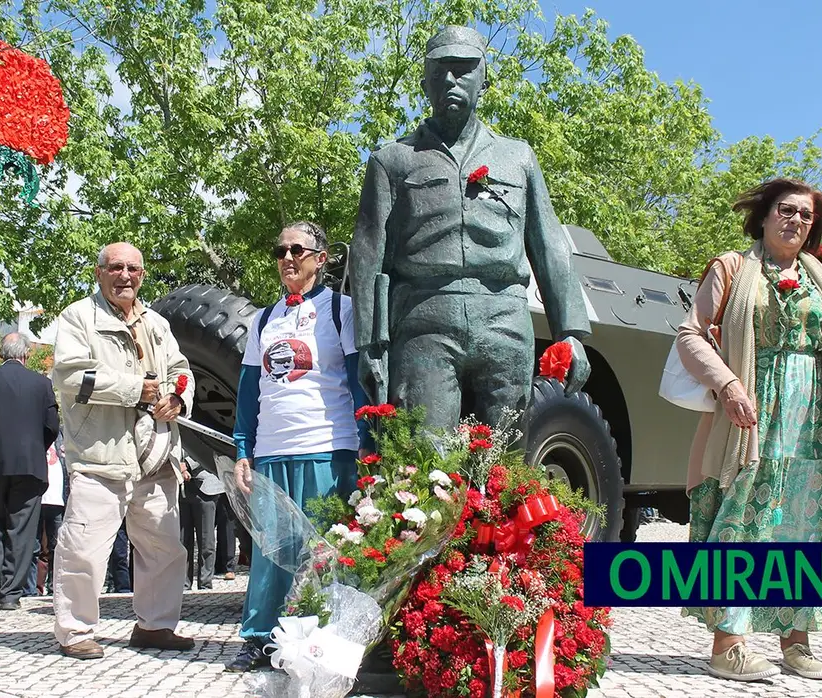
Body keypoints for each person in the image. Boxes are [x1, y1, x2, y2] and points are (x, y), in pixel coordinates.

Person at [675, 178, 822, 682]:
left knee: (805, 527)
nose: (796, 221)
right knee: (741, 525)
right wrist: (729, 384)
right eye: (786, 210)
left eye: (806, 216)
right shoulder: (732, 267)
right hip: (752, 415)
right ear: (763, 216)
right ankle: (728, 644)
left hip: (815, 421)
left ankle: (796, 641)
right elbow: (690, 334)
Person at [349, 25, 591, 426]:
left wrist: (570, 333)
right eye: (440, 70)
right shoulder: (392, 160)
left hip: (504, 318)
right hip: (424, 318)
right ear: (424, 81)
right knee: (425, 466)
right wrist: (370, 344)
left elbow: (549, 243)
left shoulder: (518, 157)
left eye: (463, 69)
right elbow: (369, 251)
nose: (450, 79)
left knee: (503, 465)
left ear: (484, 79)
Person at [226, 221, 369, 673]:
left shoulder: (340, 310)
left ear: (320, 259)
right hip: (272, 451)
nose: (287, 258)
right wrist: (243, 448)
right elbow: (249, 390)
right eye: (280, 250)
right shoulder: (264, 319)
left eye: (297, 250)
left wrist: (367, 447)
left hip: (329, 448)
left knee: (324, 551)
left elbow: (357, 381)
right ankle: (258, 639)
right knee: (271, 553)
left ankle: (324, 640)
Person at [51, 241, 196, 659]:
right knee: (84, 547)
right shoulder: (79, 317)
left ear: (143, 274)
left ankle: (155, 626)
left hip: (155, 453)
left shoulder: (157, 323)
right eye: (116, 267)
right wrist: (137, 389)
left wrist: (177, 398)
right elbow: (71, 377)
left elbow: (181, 370)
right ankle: (75, 631)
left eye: (133, 268)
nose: (125, 275)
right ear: (99, 273)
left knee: (164, 549)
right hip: (100, 454)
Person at [0, 332, 60, 611]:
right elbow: (52, 425)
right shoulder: (42, 383)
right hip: (29, 466)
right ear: (26, 355)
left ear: (1, 354)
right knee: (22, 527)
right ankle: (10, 593)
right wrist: (35, 448)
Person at [180, 454, 222, 590]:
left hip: (206, 487)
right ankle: (184, 584)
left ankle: (205, 583)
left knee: (207, 540)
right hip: (181, 488)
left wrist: (186, 464)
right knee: (182, 541)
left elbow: (204, 448)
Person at [37, 433, 68, 595]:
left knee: (57, 547)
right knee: (34, 547)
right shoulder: (36, 435)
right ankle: (32, 588)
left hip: (57, 500)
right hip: (36, 499)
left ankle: (55, 586)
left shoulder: (62, 437)